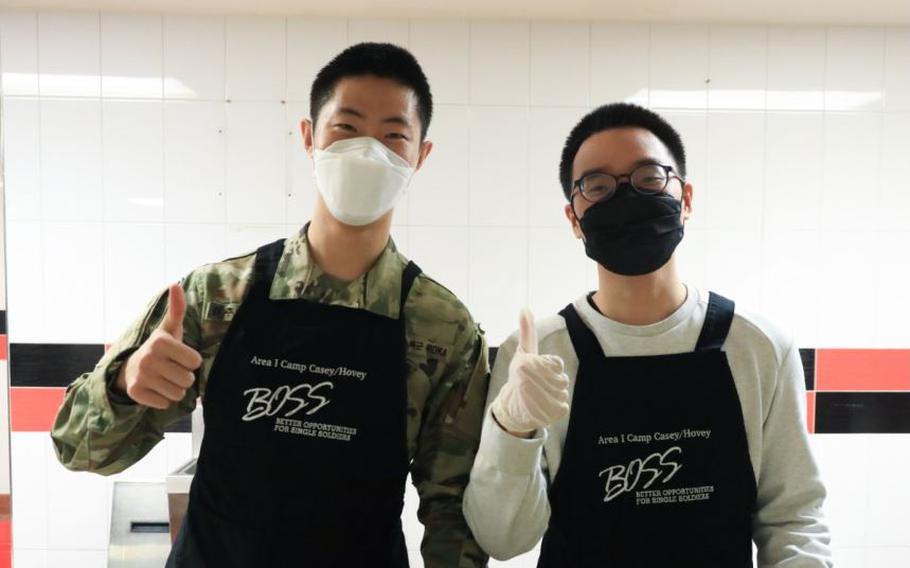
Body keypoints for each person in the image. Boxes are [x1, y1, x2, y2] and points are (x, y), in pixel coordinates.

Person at [52, 43, 490, 568]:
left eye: (394, 135)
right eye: (346, 128)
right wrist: (124, 386)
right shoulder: (215, 295)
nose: (368, 151)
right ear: (309, 137)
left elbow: (452, 511)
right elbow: (75, 447)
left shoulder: (442, 327)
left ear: (420, 154)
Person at [463, 102, 833, 567]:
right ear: (574, 219)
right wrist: (511, 429)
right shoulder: (539, 355)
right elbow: (503, 538)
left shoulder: (758, 347)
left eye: (649, 178)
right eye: (598, 187)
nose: (626, 197)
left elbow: (793, 519)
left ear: (686, 198)